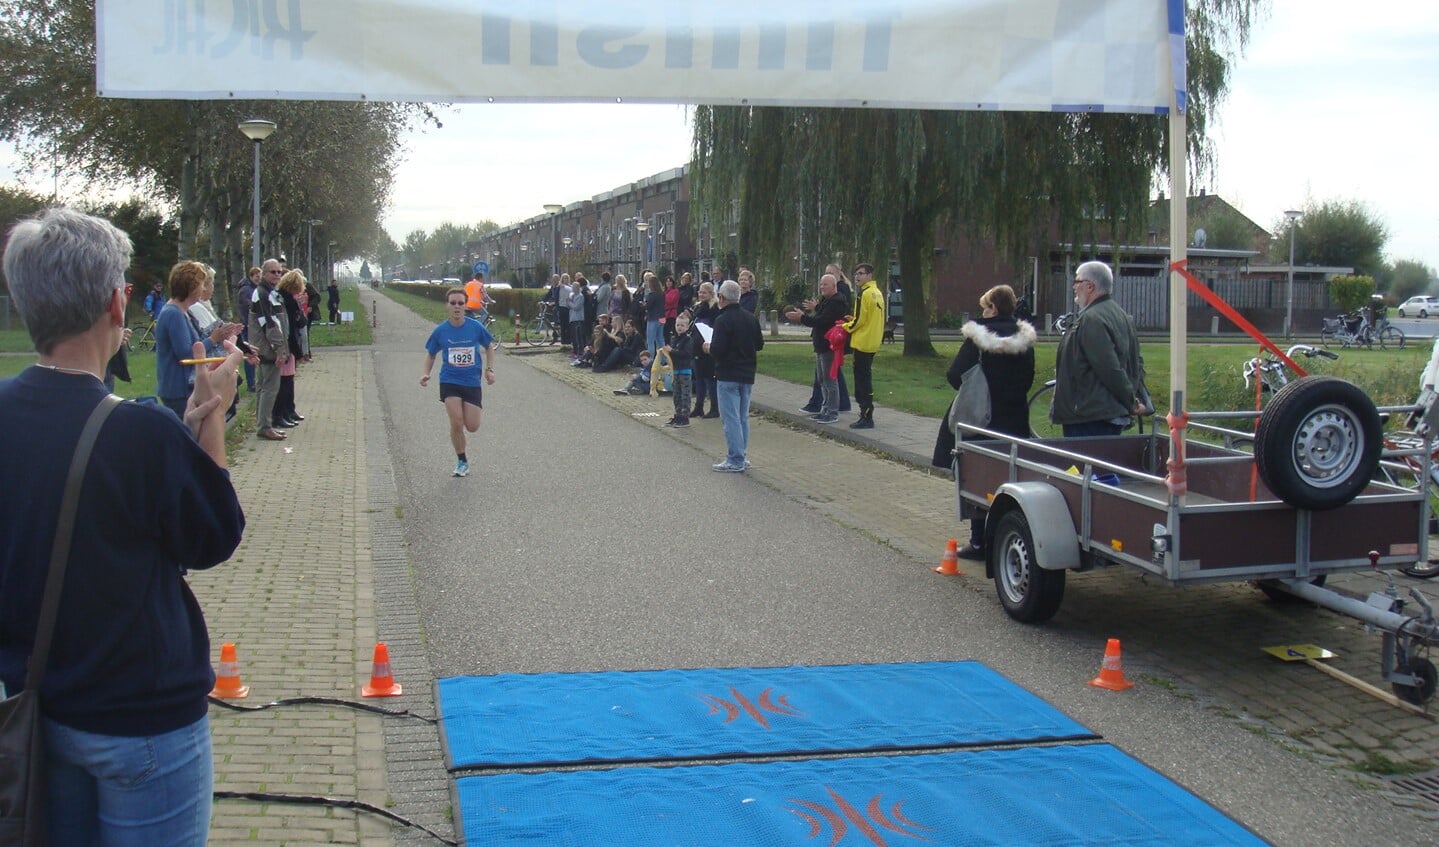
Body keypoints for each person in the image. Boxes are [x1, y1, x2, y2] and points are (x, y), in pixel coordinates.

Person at [0, 207, 246, 846]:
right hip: (143, 721)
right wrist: (211, 419)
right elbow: (213, 536)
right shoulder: (140, 428)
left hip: (36, 711)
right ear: (118, 302)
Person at [931, 284, 1036, 559]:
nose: (983, 311)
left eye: (985, 306)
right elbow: (1027, 379)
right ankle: (1004, 534)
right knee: (1007, 476)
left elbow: (955, 375)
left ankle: (978, 542)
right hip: (1012, 418)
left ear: (994, 308)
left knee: (977, 478)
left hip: (981, 420)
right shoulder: (1024, 338)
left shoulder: (979, 337)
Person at [1051, 260, 1146, 437]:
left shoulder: (1092, 319)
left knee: (1083, 464)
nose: (1074, 287)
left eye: (1077, 281)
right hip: (1104, 412)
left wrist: (1131, 402)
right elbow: (1137, 363)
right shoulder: (1121, 315)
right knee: (1101, 463)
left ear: (1090, 286)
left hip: (1090, 415)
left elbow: (1109, 368)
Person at [421, 287, 497, 478]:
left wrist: (489, 370)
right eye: (453, 303)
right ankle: (462, 460)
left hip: (471, 382)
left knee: (472, 426)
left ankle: (462, 443)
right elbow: (431, 354)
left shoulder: (475, 327)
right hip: (449, 381)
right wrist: (425, 374)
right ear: (447, 305)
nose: (456, 307)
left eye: (460, 303)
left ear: (465, 306)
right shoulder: (440, 331)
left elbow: (489, 346)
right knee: (456, 421)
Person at [156, 261, 237, 419]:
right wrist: (213, 339)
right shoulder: (173, 314)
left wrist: (220, 333)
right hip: (178, 389)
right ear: (190, 286)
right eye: (201, 284)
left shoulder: (183, 311)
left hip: (185, 387)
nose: (204, 289)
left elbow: (197, 339)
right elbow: (186, 353)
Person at [706, 279, 765, 471]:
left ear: (721, 298)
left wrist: (708, 347)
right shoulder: (751, 319)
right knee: (742, 417)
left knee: (730, 418)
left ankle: (735, 458)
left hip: (728, 373)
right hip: (747, 373)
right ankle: (742, 453)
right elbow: (759, 344)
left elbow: (718, 350)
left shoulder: (722, 320)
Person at [785, 273, 850, 424]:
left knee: (829, 379)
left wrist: (801, 318)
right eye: (821, 284)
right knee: (822, 378)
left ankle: (832, 411)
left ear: (834, 286)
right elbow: (821, 315)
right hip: (821, 345)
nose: (822, 287)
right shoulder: (827, 301)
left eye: (825, 284)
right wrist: (815, 308)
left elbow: (821, 321)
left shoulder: (836, 302)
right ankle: (825, 408)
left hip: (829, 345)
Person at [248, 258, 292, 441]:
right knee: (269, 388)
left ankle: (262, 423)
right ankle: (264, 426)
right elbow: (269, 325)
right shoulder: (263, 294)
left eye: (279, 272)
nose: (276, 275)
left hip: (268, 346)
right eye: (272, 272)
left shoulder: (271, 293)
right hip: (268, 349)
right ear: (264, 274)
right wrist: (279, 349)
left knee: (263, 386)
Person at [843, 262, 886, 429]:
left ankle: (866, 415)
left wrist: (846, 327)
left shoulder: (864, 294)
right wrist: (852, 320)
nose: (857, 277)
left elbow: (860, 320)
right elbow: (868, 318)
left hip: (862, 342)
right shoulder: (878, 293)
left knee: (862, 380)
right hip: (873, 341)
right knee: (865, 377)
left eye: (861, 273)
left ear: (869, 275)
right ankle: (866, 413)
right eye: (856, 274)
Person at [688, 280, 720, 418]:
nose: (701, 294)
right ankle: (698, 406)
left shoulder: (714, 308)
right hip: (696, 346)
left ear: (711, 294)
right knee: (699, 378)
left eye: (704, 292)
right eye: (700, 292)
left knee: (709, 379)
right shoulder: (698, 307)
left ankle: (714, 407)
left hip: (707, 346)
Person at [662, 311, 697, 428]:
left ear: (687, 327)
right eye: (678, 325)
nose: (679, 327)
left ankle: (685, 417)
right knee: (676, 394)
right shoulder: (673, 338)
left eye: (682, 325)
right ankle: (677, 415)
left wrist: (672, 351)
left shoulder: (688, 340)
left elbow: (686, 354)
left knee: (685, 395)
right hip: (675, 371)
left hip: (685, 371)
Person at [236, 267, 260, 391]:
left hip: (252, 325)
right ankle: (251, 383)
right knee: (249, 353)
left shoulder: (254, 288)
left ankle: (254, 381)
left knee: (253, 352)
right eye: (256, 276)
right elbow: (246, 308)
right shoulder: (246, 290)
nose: (258, 279)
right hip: (247, 325)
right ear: (251, 276)